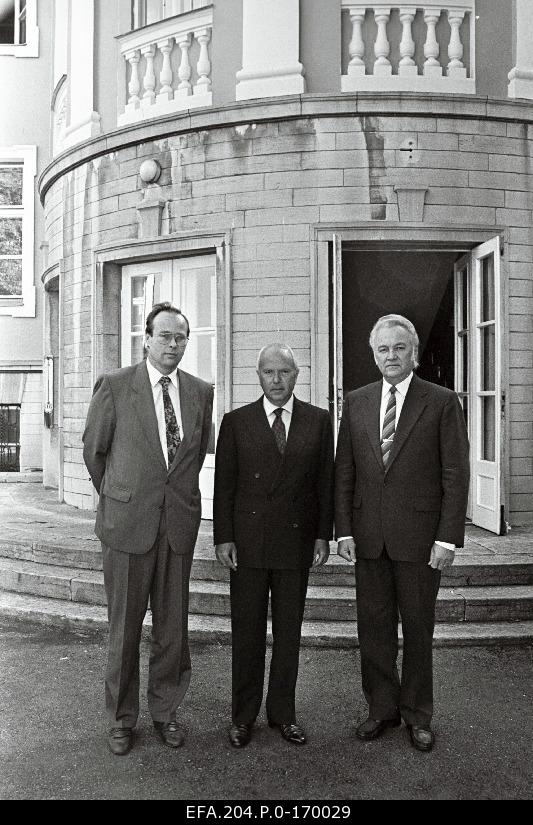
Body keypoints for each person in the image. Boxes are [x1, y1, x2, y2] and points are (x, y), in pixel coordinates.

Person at [83, 302, 213, 756]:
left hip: (177, 527)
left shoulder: (200, 391)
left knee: (173, 628)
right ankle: (121, 719)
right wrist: (125, 496)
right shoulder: (116, 386)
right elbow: (94, 453)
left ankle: (165, 712)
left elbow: (191, 459)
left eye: (181, 337)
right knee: (124, 629)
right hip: (126, 528)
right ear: (147, 339)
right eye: (165, 336)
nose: (173, 345)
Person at [335, 314, 469, 752]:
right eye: (382, 349)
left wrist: (447, 539)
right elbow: (345, 474)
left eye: (399, 348)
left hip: (420, 541)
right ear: (373, 355)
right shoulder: (356, 402)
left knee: (417, 630)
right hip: (369, 539)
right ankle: (381, 710)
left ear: (413, 352)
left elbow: (455, 473)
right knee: (372, 630)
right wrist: (344, 532)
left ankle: (417, 715)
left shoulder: (442, 401)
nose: (390, 356)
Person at [214, 343, 334, 748]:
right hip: (246, 546)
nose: (277, 381)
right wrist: (223, 537)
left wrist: (322, 534)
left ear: (297, 375)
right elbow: (224, 486)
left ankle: (283, 713)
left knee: (288, 632)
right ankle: (243, 716)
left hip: (296, 543)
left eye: (284, 372)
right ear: (258, 375)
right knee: (246, 633)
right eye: (269, 372)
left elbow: (324, 484)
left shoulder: (318, 421)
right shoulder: (236, 421)